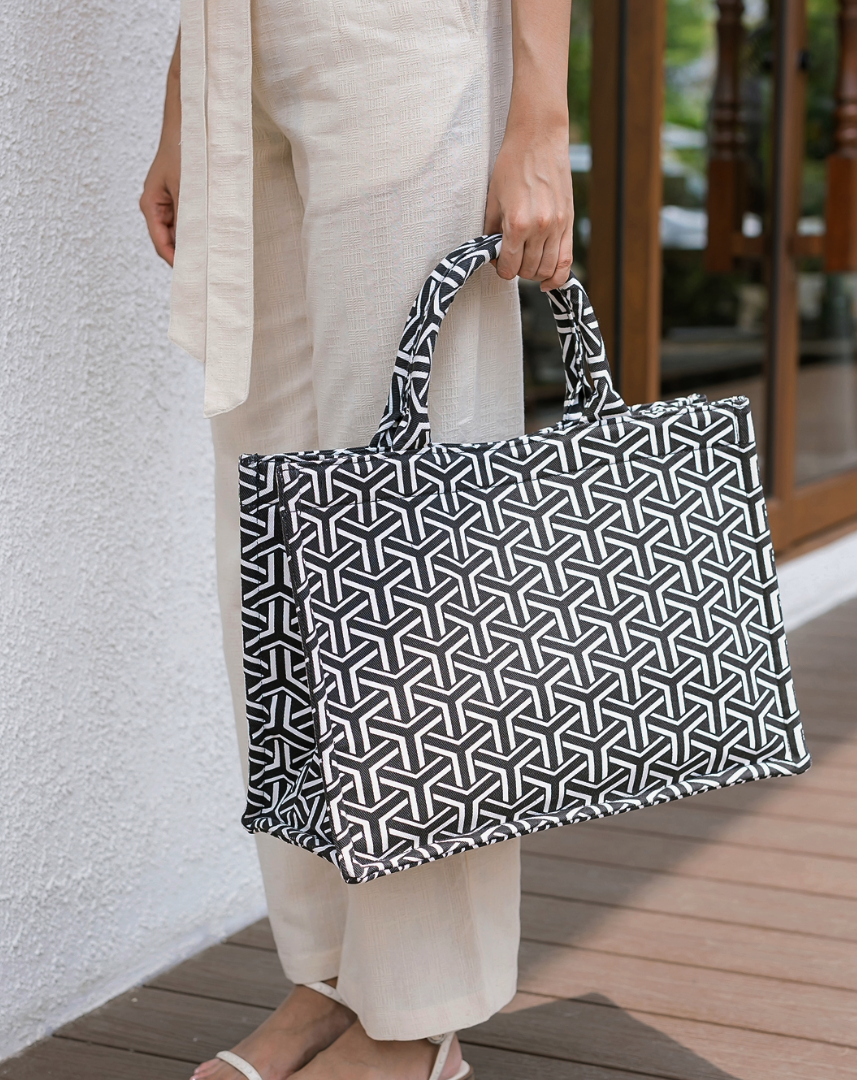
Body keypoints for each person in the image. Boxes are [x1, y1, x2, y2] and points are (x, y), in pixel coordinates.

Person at [140, 2, 574, 1077]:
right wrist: (186, 91)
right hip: (238, 52)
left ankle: (418, 1019)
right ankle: (330, 976)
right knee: (276, 550)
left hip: (401, 37)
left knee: (412, 550)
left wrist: (540, 112)